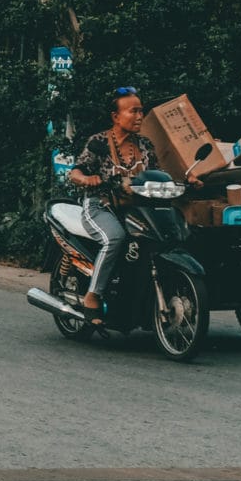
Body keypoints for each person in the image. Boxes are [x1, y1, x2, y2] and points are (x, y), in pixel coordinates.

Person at [67, 86, 159, 321]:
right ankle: (93, 295)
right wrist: (87, 178)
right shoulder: (98, 142)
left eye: (141, 111)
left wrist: (187, 180)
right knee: (115, 238)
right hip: (100, 206)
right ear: (116, 117)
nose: (139, 116)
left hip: (138, 210)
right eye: (133, 111)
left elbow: (158, 175)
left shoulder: (146, 145)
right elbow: (75, 172)